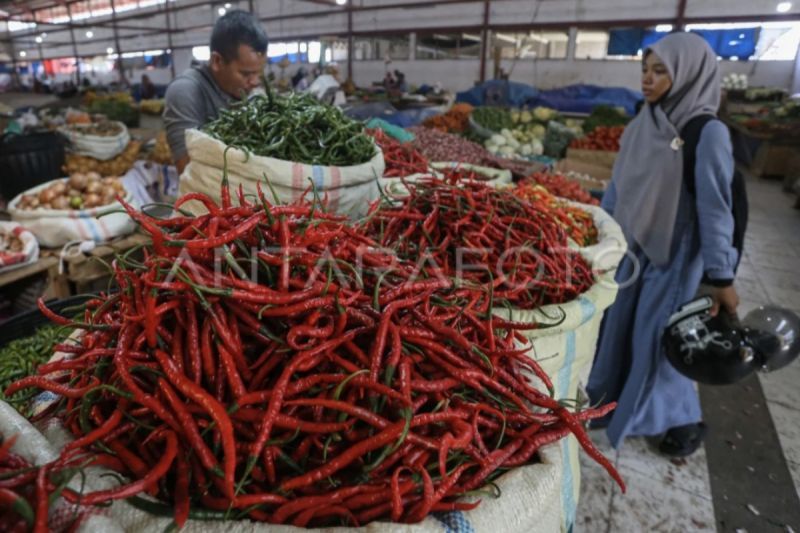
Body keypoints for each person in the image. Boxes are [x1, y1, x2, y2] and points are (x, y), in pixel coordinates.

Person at [586, 32, 740, 457]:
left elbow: (715, 210)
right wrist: (604, 243)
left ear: (689, 74)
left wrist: (721, 275)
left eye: (660, 72)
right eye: (644, 70)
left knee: (658, 341)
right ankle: (606, 403)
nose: (647, 80)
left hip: (674, 256)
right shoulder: (643, 124)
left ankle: (678, 420)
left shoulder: (706, 133)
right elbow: (618, 188)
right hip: (632, 250)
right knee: (615, 329)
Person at [163, 10, 268, 174]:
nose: (255, 82)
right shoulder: (186, 90)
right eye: (246, 74)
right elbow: (188, 169)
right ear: (217, 61)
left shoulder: (245, 91)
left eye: (258, 72)